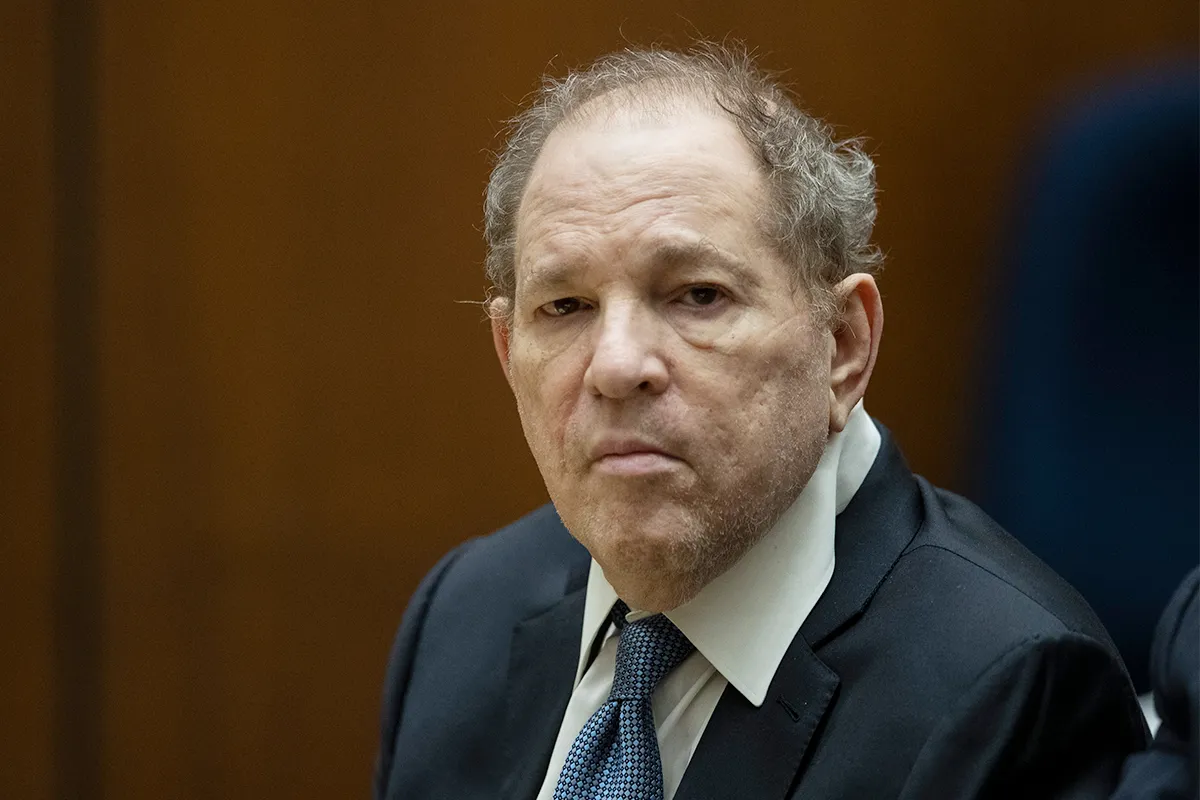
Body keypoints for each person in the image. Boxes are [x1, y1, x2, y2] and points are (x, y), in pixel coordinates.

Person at [374, 43, 1147, 799]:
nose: (615, 365)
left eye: (697, 295)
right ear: (510, 354)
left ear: (843, 345)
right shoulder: (465, 612)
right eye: (566, 306)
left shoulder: (1011, 691)